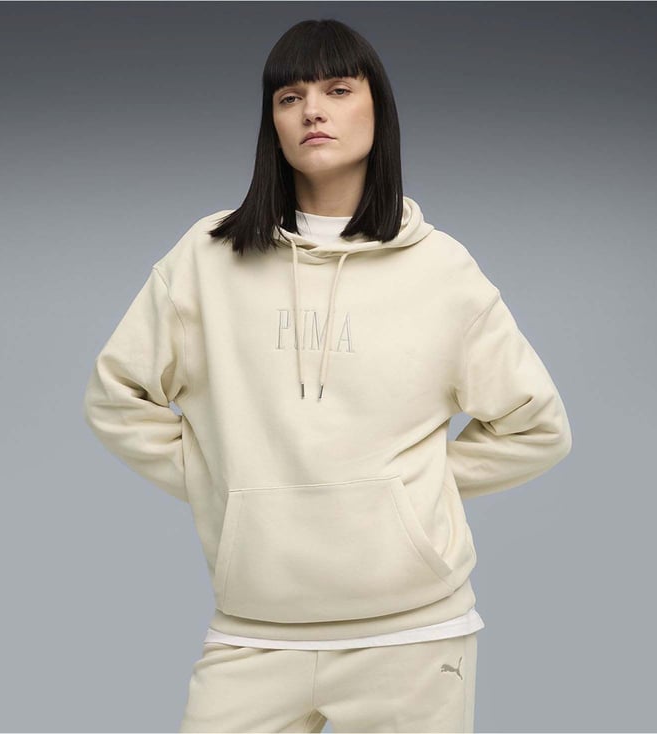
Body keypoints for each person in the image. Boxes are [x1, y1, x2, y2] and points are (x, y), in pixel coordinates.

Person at [83, 18, 572, 734]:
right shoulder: (207, 257)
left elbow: (538, 427)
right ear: (273, 123)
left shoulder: (441, 270)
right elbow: (116, 397)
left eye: (338, 90)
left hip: (413, 635)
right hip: (255, 629)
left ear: (378, 109)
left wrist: (410, 495)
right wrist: (223, 481)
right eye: (290, 97)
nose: (312, 110)